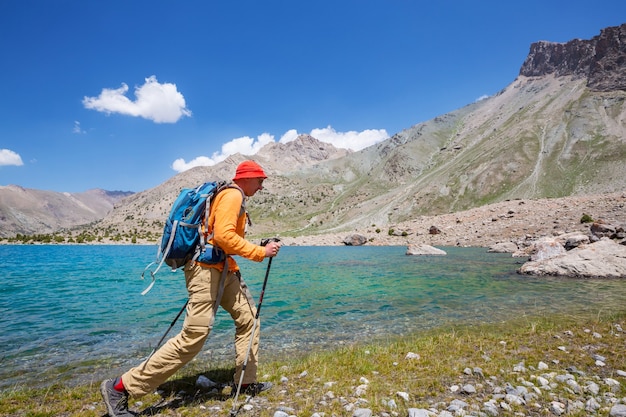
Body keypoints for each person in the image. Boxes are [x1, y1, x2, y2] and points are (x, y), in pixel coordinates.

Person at [101, 160, 282, 417]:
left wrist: (253, 249)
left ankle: (246, 382)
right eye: (260, 180)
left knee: (249, 320)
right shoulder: (232, 195)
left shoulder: (233, 196)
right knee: (192, 338)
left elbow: (222, 238)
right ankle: (120, 387)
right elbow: (223, 237)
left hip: (223, 270)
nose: (262, 186)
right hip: (206, 272)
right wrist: (260, 252)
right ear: (246, 178)